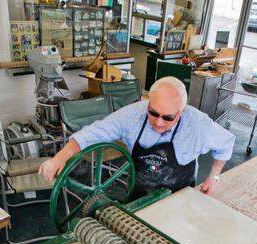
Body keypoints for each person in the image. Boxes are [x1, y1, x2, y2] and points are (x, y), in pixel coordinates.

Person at [39, 76, 234, 197]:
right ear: (147, 102)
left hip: (180, 197)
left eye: (168, 117)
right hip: (139, 196)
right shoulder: (132, 115)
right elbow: (93, 133)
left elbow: (225, 143)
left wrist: (213, 177)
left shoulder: (199, 124)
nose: (158, 122)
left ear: (181, 111)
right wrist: (60, 157)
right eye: (153, 112)